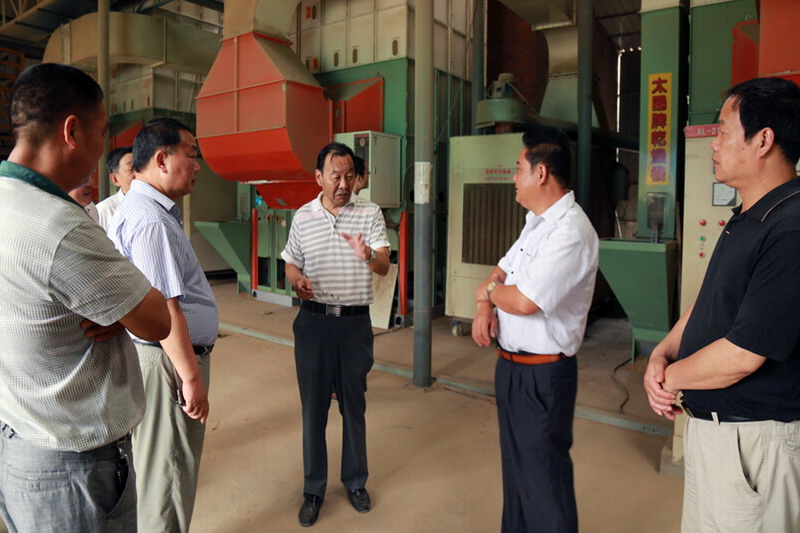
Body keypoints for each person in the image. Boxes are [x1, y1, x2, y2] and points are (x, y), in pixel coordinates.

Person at [0, 63, 169, 533]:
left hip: (18, 437)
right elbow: (157, 320)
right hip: (71, 466)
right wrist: (123, 306)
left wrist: (111, 304)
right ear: (72, 131)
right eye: (100, 132)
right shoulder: (60, 226)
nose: (101, 149)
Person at [644, 77, 800, 533]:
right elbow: (710, 301)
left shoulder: (790, 228)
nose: (714, 143)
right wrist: (661, 353)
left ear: (763, 141)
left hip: (754, 441)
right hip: (713, 429)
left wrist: (668, 380)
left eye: (723, 131)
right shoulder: (748, 216)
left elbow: (743, 355)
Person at [472, 127, 598, 533]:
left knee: (544, 480)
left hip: (543, 377)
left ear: (541, 173)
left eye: (518, 168)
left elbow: (525, 301)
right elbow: (500, 270)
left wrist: (489, 293)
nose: (514, 177)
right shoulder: (536, 223)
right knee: (518, 474)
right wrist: (485, 303)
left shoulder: (570, 232)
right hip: (511, 367)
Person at [109, 117, 219, 533]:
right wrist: (190, 377)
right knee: (168, 479)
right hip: (168, 363)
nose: (198, 165)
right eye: (192, 154)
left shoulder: (142, 208)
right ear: (161, 159)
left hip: (157, 358)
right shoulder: (152, 221)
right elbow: (167, 310)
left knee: (156, 470)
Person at [282, 142, 390, 527]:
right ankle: (313, 490)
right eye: (335, 176)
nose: (343, 184)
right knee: (313, 409)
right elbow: (291, 263)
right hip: (313, 322)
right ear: (319, 178)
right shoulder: (303, 217)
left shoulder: (370, 212)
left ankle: (356, 481)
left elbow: (383, 265)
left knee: (353, 406)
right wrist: (297, 281)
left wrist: (367, 255)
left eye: (349, 176)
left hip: (354, 324)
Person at [97, 146, 134, 231]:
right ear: (115, 179)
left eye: (141, 168)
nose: (139, 174)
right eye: (131, 169)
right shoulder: (104, 211)